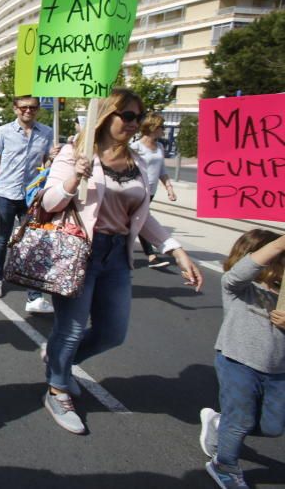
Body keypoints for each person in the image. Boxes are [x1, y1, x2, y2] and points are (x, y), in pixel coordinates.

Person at [40, 88, 203, 435]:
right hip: (79, 251)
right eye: (127, 116)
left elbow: (143, 216)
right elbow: (50, 202)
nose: (134, 124)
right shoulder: (75, 153)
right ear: (106, 115)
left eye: (138, 117)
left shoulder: (138, 162)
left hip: (117, 255)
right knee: (69, 331)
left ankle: (58, 360)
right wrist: (74, 178)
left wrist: (174, 248)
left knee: (113, 332)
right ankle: (57, 387)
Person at [199, 230, 285, 489]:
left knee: (273, 426)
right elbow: (246, 269)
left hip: (277, 369)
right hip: (237, 361)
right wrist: (280, 243)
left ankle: (219, 422)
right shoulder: (236, 285)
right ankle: (224, 464)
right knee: (241, 421)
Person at [0, 95, 59, 312]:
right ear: (15, 109)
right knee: (3, 238)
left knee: (32, 241)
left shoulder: (47, 133)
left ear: (38, 109)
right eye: (23, 107)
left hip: (32, 195)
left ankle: (34, 296)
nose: (28, 111)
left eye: (32, 107)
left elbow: (47, 164)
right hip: (6, 192)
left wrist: (53, 157)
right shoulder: (2, 132)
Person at [130, 113, 178, 267]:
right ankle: (150, 255)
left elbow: (162, 170)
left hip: (151, 191)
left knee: (139, 220)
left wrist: (169, 188)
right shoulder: (135, 147)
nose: (164, 130)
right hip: (137, 190)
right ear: (153, 128)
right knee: (140, 219)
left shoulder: (160, 147)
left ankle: (143, 253)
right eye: (162, 127)